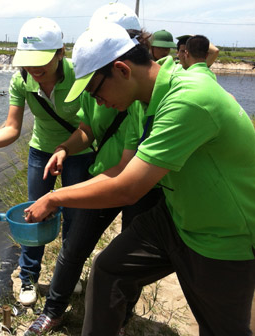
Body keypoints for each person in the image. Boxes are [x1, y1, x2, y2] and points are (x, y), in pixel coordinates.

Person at [25, 22, 255, 336]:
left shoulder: (187, 100)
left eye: (96, 91)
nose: (99, 102)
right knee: (109, 269)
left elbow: (129, 188)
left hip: (224, 233)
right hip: (177, 214)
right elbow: (123, 171)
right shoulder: (149, 96)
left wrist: (54, 197)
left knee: (220, 329)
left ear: (121, 69)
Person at [24, 4, 162, 335]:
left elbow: (128, 174)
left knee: (128, 256)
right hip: (103, 174)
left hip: (138, 185)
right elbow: (89, 128)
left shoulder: (142, 101)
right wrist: (64, 149)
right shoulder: (96, 86)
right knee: (73, 248)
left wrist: (57, 197)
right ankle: (53, 310)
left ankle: (123, 316)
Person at [0, 17, 95, 306]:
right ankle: (29, 276)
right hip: (41, 151)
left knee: (74, 216)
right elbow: (12, 128)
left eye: (42, 61)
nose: (35, 68)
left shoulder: (81, 76)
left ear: (60, 52)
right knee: (34, 215)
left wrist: (65, 150)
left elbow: (90, 128)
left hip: (79, 152)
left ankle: (68, 273)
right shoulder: (22, 80)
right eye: (29, 61)